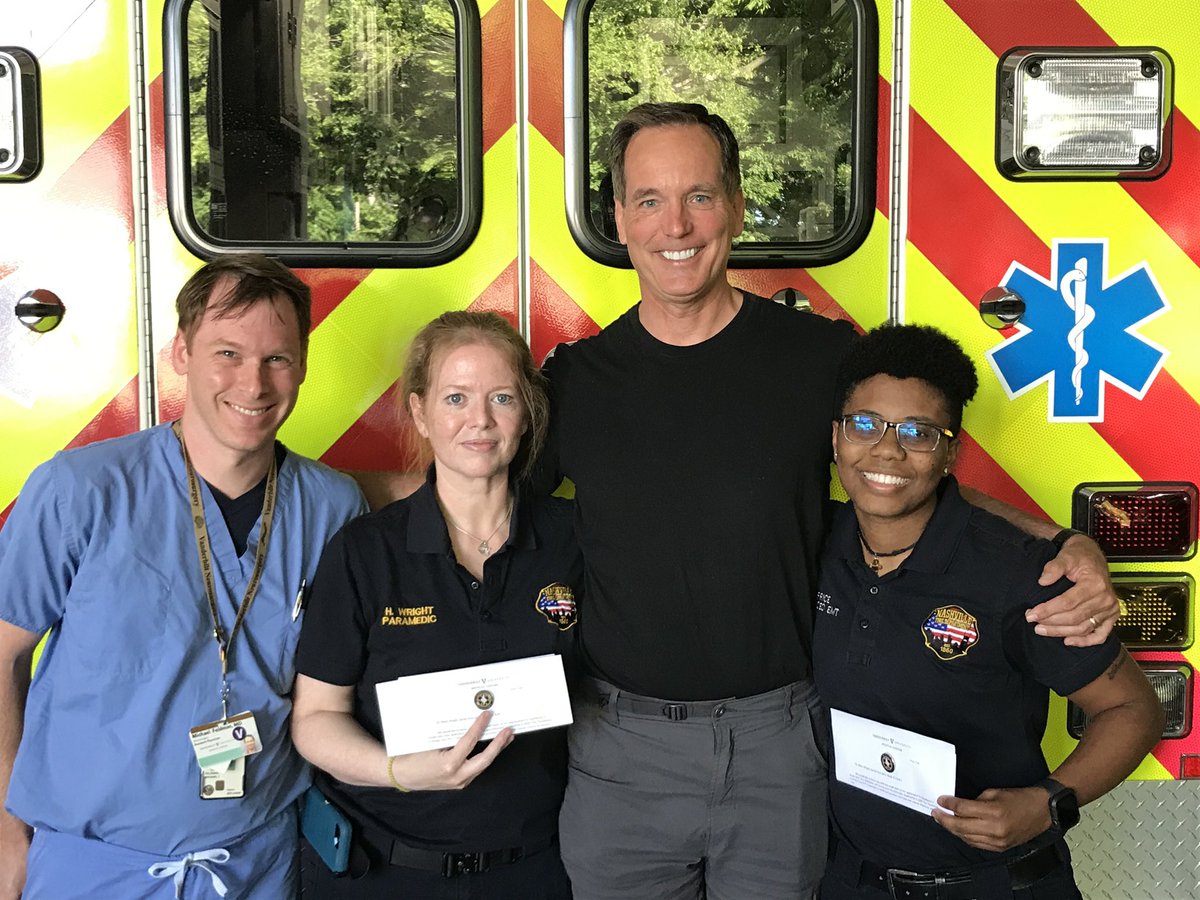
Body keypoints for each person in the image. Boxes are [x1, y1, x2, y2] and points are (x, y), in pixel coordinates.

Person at [358, 102, 1121, 899]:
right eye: (649, 199)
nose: (675, 225)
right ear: (618, 217)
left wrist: (1063, 542)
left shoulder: (822, 359)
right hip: (619, 753)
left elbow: (911, 479)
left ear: (737, 207)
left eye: (700, 196)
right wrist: (305, 488)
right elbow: (465, 488)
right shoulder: (577, 382)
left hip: (781, 747)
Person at [0, 254, 366, 899]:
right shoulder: (78, 491)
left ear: (304, 364)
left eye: (276, 358)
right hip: (89, 867)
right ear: (181, 352)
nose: (252, 384)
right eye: (227, 352)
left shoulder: (333, 506)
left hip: (256, 864)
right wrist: (5, 834)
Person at [815, 324, 1163, 899]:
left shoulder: (1019, 575)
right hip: (850, 881)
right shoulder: (817, 540)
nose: (886, 449)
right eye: (865, 425)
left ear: (953, 452)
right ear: (835, 438)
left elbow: (1133, 709)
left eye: (917, 433)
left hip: (996, 886)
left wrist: (1048, 803)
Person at [291, 311, 581, 898]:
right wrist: (397, 772)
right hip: (384, 871)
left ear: (527, 413)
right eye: (456, 398)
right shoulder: (364, 551)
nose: (479, 420)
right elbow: (316, 720)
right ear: (421, 413)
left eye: (501, 397)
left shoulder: (575, 540)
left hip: (536, 871)